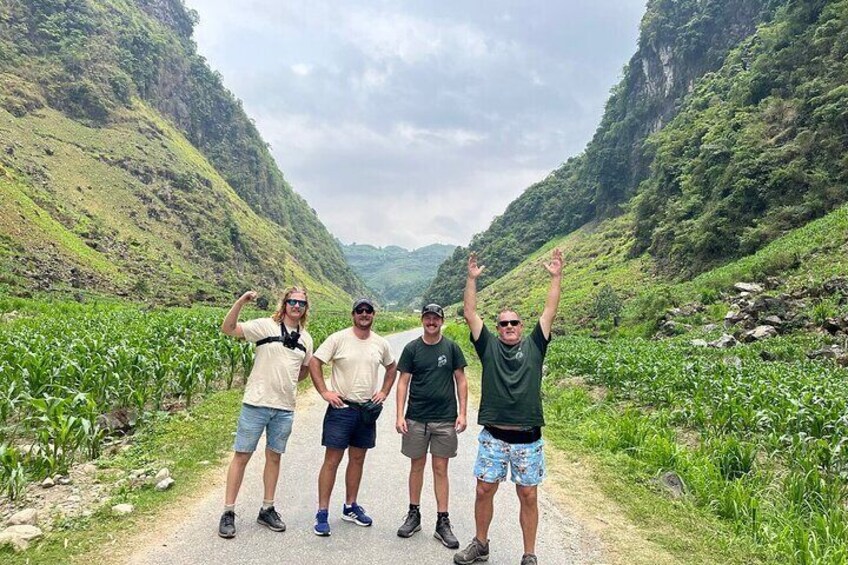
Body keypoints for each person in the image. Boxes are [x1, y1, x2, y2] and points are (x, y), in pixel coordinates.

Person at [454, 248, 563, 565]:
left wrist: (556, 277)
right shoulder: (488, 346)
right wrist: (471, 279)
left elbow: (550, 310)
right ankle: (480, 544)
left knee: (528, 495)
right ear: (498, 328)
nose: (509, 326)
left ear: (521, 325)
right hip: (494, 437)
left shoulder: (535, 344)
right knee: (483, 490)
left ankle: (529, 554)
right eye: (503, 323)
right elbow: (470, 314)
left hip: (528, 439)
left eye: (514, 322)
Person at [217, 287, 314, 539]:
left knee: (274, 457)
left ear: (306, 308)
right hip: (256, 403)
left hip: (284, 408)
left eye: (301, 303)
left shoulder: (306, 339)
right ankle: (228, 511)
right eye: (292, 302)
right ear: (284, 303)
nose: (296, 306)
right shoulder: (265, 326)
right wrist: (241, 301)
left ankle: (267, 508)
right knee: (242, 456)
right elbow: (228, 328)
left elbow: (303, 371)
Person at [309, 297, 398, 537]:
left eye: (368, 310)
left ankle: (350, 506)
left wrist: (384, 391)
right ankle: (322, 512)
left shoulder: (380, 343)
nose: (364, 314)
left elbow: (392, 367)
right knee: (332, 460)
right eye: (360, 310)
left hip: (366, 410)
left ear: (373, 315)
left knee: (357, 459)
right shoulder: (338, 339)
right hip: (341, 408)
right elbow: (315, 362)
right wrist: (324, 392)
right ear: (353, 314)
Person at [395, 303, 468, 549]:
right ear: (422, 321)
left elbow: (461, 380)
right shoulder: (411, 348)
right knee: (416, 466)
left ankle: (442, 521)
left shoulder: (452, 348)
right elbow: (403, 382)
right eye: (427, 318)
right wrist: (399, 415)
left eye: (436, 318)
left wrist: (463, 413)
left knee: (440, 468)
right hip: (416, 418)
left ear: (441, 321)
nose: (431, 322)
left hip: (445, 419)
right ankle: (413, 515)